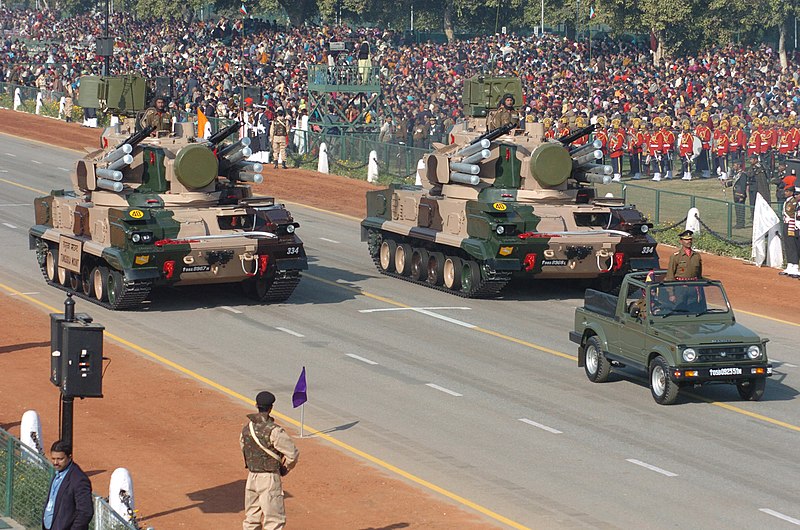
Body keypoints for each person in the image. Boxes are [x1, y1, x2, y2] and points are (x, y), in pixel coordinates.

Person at [240, 391, 299, 530]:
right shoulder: (275, 431)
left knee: (251, 519)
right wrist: (287, 468)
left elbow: (244, 448)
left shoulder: (246, 429)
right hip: (269, 478)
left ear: (256, 405)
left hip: (252, 477)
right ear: (271, 408)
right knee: (274, 521)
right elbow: (293, 454)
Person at [42, 440, 93, 530]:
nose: (55, 463)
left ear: (70, 457)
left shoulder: (79, 479)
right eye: (53, 459)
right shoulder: (59, 472)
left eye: (60, 459)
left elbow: (85, 512)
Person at [779, 184, 800, 278]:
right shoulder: (788, 201)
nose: (785, 193)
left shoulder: (794, 202)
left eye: (787, 191)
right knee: (787, 244)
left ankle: (795, 265)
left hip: (792, 224)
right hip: (787, 224)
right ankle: (790, 265)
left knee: (793, 245)